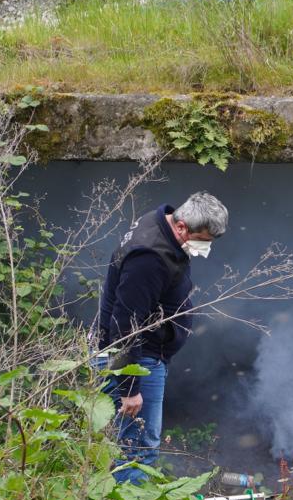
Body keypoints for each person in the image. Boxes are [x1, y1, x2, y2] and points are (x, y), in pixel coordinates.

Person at [96, 192, 228, 483]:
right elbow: (125, 323)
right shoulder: (150, 257)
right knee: (138, 449)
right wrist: (130, 387)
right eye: (203, 239)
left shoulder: (158, 226)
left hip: (142, 356)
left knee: (121, 445)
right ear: (181, 227)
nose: (204, 248)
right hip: (137, 361)